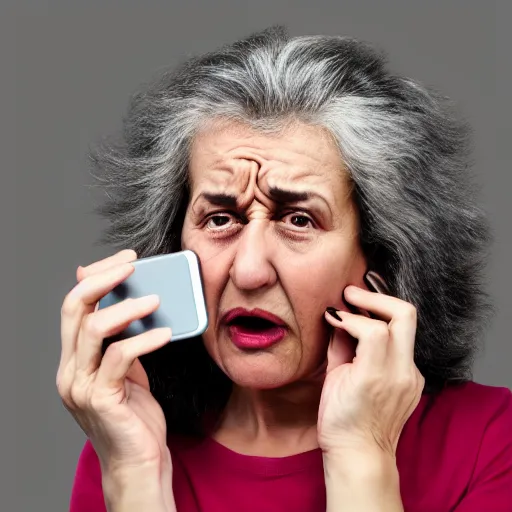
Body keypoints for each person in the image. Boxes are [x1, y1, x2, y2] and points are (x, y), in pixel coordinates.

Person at [56, 26, 512, 512]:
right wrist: (134, 476)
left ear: (379, 254)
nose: (250, 272)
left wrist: (363, 457)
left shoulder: (490, 440)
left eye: (299, 219)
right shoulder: (124, 440)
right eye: (220, 219)